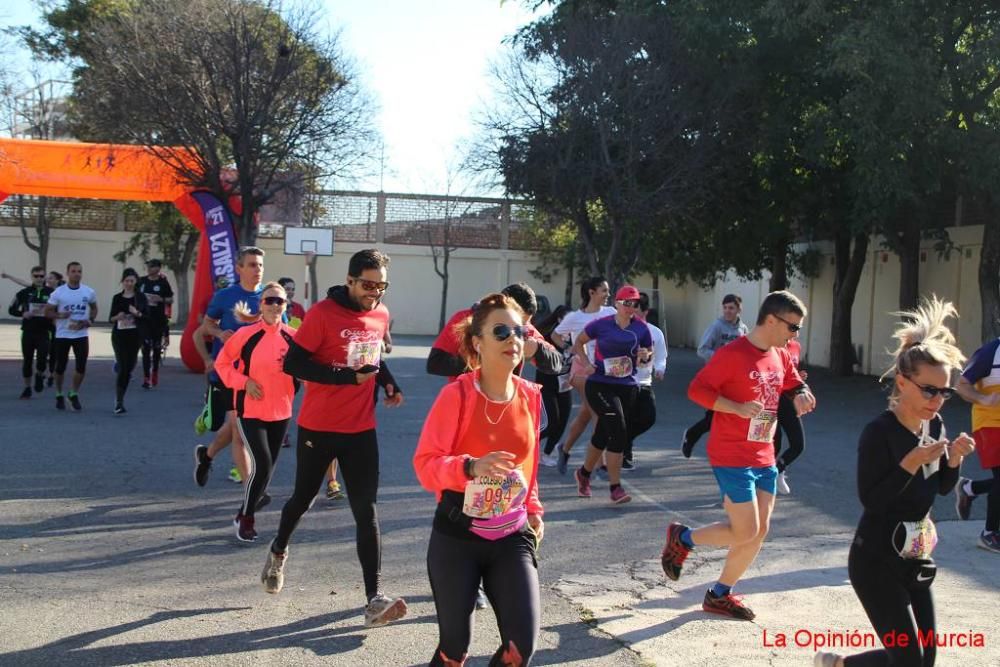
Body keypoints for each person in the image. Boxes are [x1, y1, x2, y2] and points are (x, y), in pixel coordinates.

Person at [814, 297, 975, 667]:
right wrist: (908, 464)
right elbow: (872, 500)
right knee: (909, 662)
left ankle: (839, 665)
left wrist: (954, 460)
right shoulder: (879, 433)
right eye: (928, 390)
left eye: (944, 392)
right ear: (902, 381)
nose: (936, 401)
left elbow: (942, 488)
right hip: (873, 559)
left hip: (915, 553)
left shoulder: (935, 426)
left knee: (925, 657)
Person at [261, 248, 408, 629]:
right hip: (319, 427)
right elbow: (293, 363)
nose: (374, 293)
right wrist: (345, 378)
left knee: (367, 511)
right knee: (303, 499)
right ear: (350, 280)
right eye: (367, 284)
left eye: (381, 285)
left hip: (361, 429)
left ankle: (373, 599)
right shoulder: (324, 314)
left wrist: (388, 381)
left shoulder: (380, 314)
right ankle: (278, 550)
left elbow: (373, 354)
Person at [661, 290, 816, 621]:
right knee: (745, 529)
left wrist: (802, 392)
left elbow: (791, 382)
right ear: (771, 320)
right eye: (793, 327)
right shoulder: (732, 354)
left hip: (764, 452)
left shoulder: (780, 353)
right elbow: (697, 390)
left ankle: (720, 594)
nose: (795, 335)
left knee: (759, 531)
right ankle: (683, 538)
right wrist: (736, 408)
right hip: (731, 452)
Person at [413, 292, 544, 666]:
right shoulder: (457, 395)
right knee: (454, 651)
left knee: (521, 650)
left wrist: (533, 508)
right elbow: (425, 465)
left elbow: (527, 463)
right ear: (477, 342)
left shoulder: (531, 397)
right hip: (458, 537)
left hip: (512, 536)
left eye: (519, 331)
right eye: (501, 331)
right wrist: (470, 467)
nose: (513, 340)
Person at [214, 281, 297, 542]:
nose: (274, 305)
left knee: (267, 468)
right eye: (269, 300)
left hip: (281, 411)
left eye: (279, 301)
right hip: (251, 410)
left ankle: (243, 511)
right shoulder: (246, 335)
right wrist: (244, 382)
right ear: (261, 305)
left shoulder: (293, 337)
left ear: (286, 306)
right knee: (261, 464)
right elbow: (222, 363)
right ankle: (247, 519)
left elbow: (310, 368)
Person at [569, 285, 652, 504]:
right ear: (617, 303)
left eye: (635, 304)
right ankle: (615, 487)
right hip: (599, 384)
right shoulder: (602, 325)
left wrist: (645, 355)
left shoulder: (641, 328)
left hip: (627, 386)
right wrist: (586, 363)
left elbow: (647, 355)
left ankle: (584, 474)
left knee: (604, 433)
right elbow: (578, 342)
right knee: (619, 429)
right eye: (627, 303)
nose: (630, 308)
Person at [192, 247, 266, 488]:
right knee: (235, 428)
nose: (258, 270)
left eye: (261, 265)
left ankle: (209, 456)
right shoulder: (224, 296)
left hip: (255, 375)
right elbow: (205, 327)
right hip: (227, 373)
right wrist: (218, 333)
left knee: (236, 426)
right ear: (239, 268)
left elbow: (282, 333)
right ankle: (250, 488)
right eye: (252, 264)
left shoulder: (269, 298)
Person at [426, 282, 562, 380]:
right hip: (466, 404)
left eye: (522, 325)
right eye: (502, 329)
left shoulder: (523, 328)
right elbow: (435, 363)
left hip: (506, 405)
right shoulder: (464, 319)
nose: (516, 333)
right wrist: (485, 357)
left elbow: (557, 364)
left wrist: (537, 350)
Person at [551, 277, 617, 474]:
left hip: (603, 369)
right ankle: (600, 464)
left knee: (586, 415)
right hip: (581, 370)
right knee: (599, 412)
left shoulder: (610, 313)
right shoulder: (574, 317)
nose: (608, 295)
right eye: (604, 290)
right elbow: (555, 335)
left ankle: (564, 448)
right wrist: (569, 348)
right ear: (591, 292)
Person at [681, 294, 749, 458]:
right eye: (725, 307)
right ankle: (691, 435)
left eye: (731, 308)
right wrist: (722, 359)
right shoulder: (717, 327)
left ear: (739, 309)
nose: (727, 311)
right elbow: (702, 349)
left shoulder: (743, 329)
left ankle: (730, 451)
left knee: (728, 416)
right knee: (715, 417)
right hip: (717, 380)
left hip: (735, 381)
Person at [954, 332, 1000, 553]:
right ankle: (989, 533)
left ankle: (969, 488)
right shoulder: (990, 352)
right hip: (991, 424)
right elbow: (961, 385)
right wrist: (983, 398)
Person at [44, 262, 98, 411]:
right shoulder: (59, 292)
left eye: (79, 271)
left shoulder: (89, 292)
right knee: (60, 367)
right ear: (68, 273)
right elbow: (47, 311)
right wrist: (59, 314)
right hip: (62, 335)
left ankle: (73, 393)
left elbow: (94, 309)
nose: (77, 274)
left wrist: (89, 321)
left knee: (81, 367)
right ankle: (59, 393)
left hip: (81, 334)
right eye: (73, 271)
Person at [624, 292, 668, 470]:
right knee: (626, 418)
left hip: (644, 382)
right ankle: (624, 454)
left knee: (648, 417)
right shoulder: (623, 329)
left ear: (645, 311)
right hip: (625, 382)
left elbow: (661, 356)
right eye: (630, 308)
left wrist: (660, 369)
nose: (632, 312)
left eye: (637, 309)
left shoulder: (655, 332)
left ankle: (624, 440)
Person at [536, 305, 574, 467]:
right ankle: (529, 443)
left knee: (563, 421)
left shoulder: (575, 336)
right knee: (552, 421)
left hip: (565, 384)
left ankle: (546, 453)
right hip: (547, 382)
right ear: (559, 320)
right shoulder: (548, 337)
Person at [7, 266, 53, 399]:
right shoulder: (23, 293)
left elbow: (59, 307)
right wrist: (23, 313)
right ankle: (27, 387)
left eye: (41, 276)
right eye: (36, 276)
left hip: (44, 331)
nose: (39, 278)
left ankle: (39, 374)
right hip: (28, 331)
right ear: (31, 277)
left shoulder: (52, 292)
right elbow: (11, 309)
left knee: (42, 358)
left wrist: (52, 315)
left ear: (44, 277)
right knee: (27, 360)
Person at [108, 268, 149, 415]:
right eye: (126, 281)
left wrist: (135, 313)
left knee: (129, 367)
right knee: (124, 367)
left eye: (132, 281)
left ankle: (121, 392)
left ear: (135, 282)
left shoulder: (140, 298)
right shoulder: (117, 298)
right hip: (119, 336)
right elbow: (110, 318)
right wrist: (117, 317)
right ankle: (119, 402)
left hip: (135, 335)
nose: (129, 283)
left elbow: (146, 317)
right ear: (122, 282)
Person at [773, 337, 808, 494]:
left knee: (798, 444)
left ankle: (778, 470)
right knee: (773, 443)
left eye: (798, 326)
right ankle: (757, 483)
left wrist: (799, 378)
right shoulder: (771, 344)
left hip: (787, 399)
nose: (795, 330)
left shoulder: (796, 346)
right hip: (768, 401)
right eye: (793, 325)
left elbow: (791, 373)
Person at [136, 258, 174, 389]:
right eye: (148, 266)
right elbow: (134, 295)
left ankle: (155, 372)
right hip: (144, 319)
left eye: (152, 266)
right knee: (145, 348)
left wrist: (161, 299)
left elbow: (170, 299)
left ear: (158, 268)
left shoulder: (163, 283)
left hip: (158, 320)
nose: (149, 268)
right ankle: (146, 377)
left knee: (156, 348)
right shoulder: (141, 281)